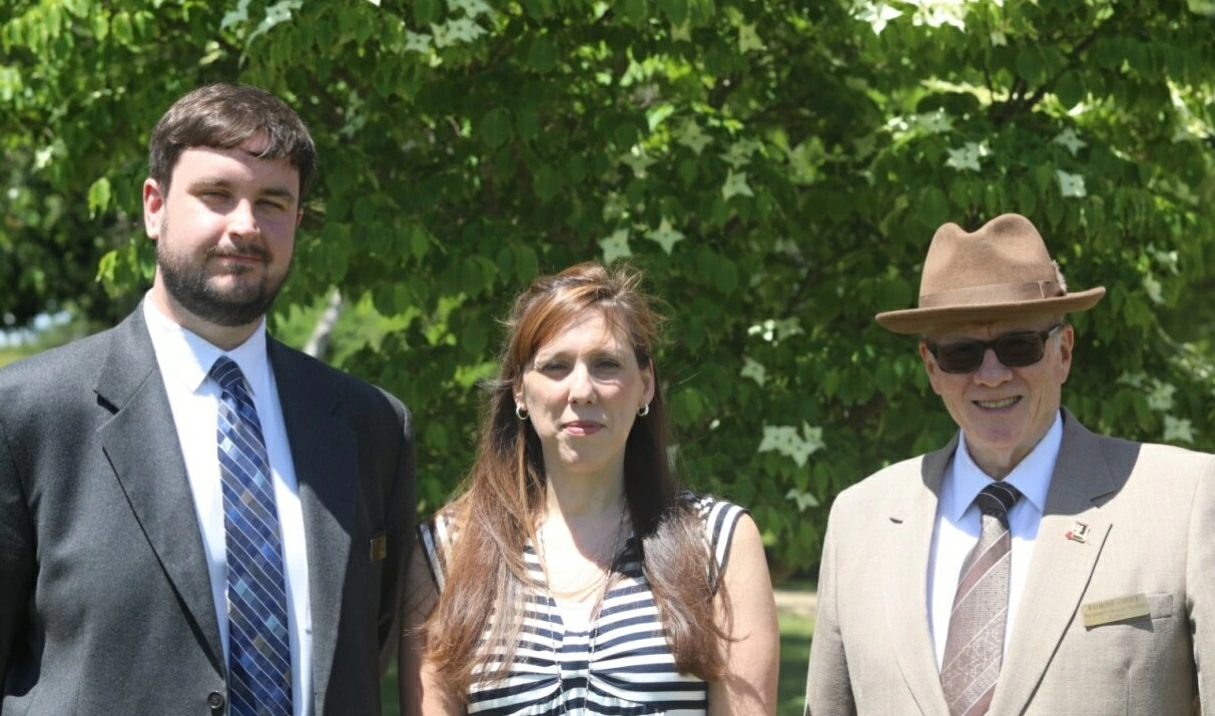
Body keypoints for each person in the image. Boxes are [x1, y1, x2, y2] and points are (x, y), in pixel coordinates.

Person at [0, 83, 415, 715]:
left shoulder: (370, 425)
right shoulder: (28, 413)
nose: (244, 225)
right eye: (216, 195)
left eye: (272, 202)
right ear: (154, 206)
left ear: (297, 222)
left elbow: (369, 640)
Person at [803, 213, 1214, 715]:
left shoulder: (1186, 499)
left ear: (1063, 351)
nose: (992, 375)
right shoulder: (858, 521)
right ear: (931, 368)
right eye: (962, 354)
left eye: (1019, 346)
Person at [399, 262, 779, 715]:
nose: (581, 390)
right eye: (556, 366)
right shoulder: (448, 551)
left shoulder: (719, 542)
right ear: (519, 390)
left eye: (606, 365)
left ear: (646, 386)